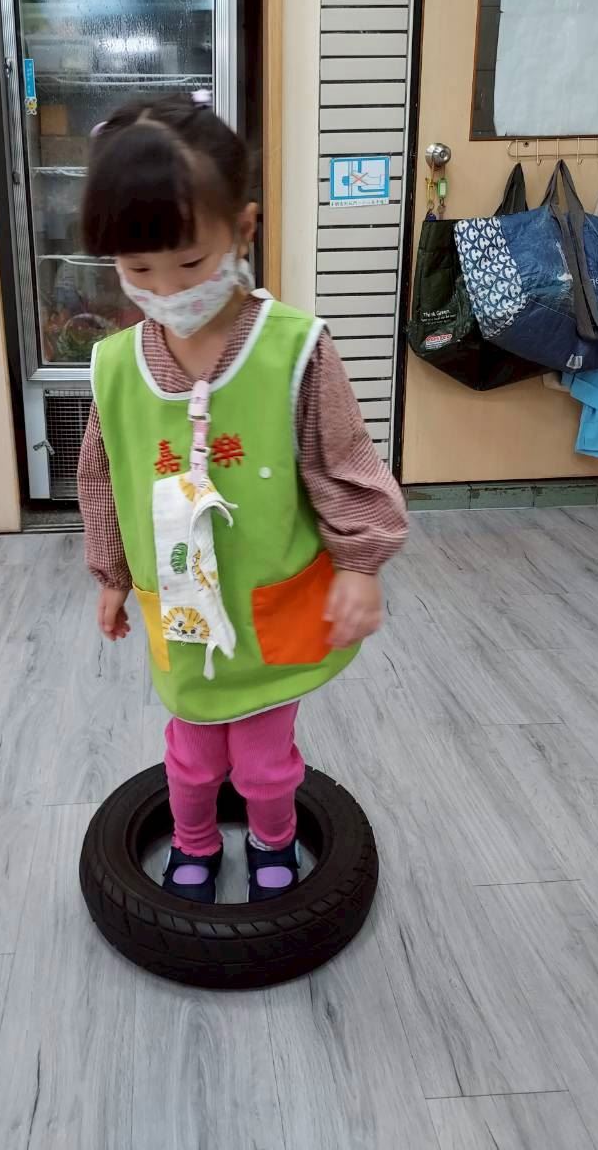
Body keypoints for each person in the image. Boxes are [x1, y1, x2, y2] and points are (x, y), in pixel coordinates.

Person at [77, 92, 407, 905]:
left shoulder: (295, 348)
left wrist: (360, 564)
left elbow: (344, 462)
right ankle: (193, 843)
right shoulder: (115, 366)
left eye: (189, 263)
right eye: (137, 270)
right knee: (191, 756)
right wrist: (111, 573)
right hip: (180, 614)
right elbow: (102, 476)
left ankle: (272, 840)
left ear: (244, 229)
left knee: (263, 761)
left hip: (273, 611)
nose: (165, 287)